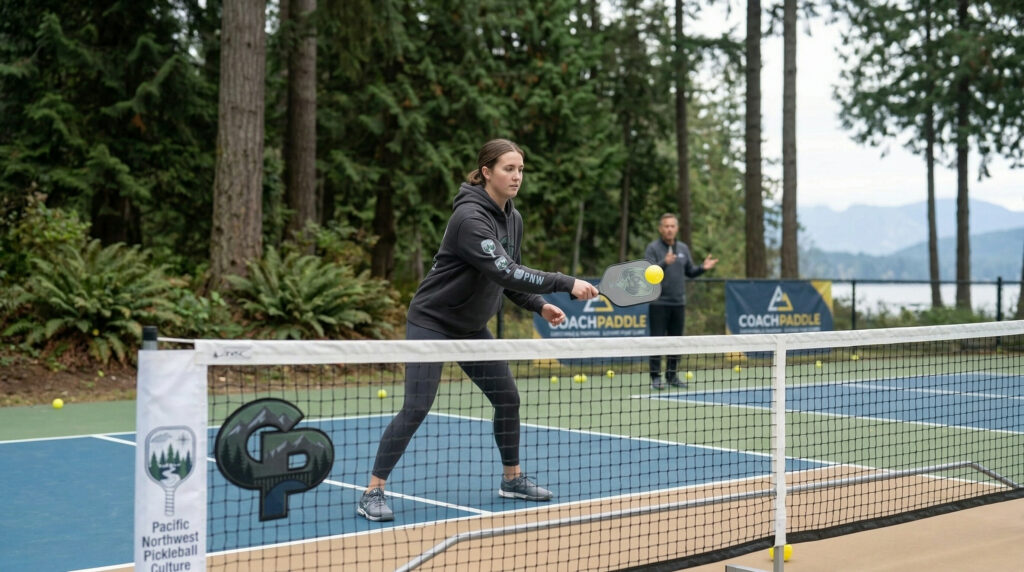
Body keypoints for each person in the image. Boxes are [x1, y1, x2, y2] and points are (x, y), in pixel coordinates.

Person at [357, 139, 601, 522]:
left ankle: (512, 479)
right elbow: (503, 270)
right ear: (486, 172)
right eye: (508, 168)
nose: (517, 176)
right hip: (432, 322)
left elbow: (507, 279)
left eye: (520, 169)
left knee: (508, 398)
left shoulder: (513, 220)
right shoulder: (469, 218)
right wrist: (564, 282)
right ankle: (373, 490)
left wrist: (539, 304)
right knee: (417, 406)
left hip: (471, 328)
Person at [644, 213, 718, 390]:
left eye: (672, 226)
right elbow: (647, 273)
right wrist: (664, 262)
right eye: (666, 226)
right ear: (660, 229)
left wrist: (702, 268)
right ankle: (655, 377)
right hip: (658, 303)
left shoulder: (683, 248)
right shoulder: (653, 248)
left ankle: (672, 375)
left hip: (678, 303)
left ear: (676, 229)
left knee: (676, 341)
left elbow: (690, 271)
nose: (669, 229)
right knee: (657, 341)